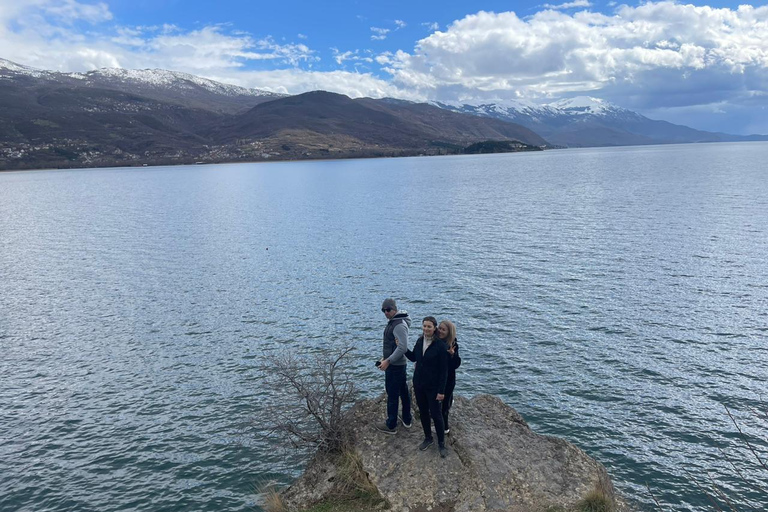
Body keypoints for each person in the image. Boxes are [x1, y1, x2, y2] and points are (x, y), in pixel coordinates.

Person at [402, 316, 450, 458]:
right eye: (424, 326)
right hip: (419, 384)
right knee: (423, 412)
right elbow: (413, 358)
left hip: (433, 387)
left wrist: (441, 391)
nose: (426, 329)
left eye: (429, 326)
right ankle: (428, 438)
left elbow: (444, 371)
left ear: (434, 328)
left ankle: (441, 443)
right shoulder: (419, 341)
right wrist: (403, 348)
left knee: (436, 414)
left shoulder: (441, 346)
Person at [375, 298, 413, 434]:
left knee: (392, 394)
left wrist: (388, 361)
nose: (385, 312)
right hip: (396, 364)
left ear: (394, 309)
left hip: (396, 365)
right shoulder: (394, 322)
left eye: (388, 310)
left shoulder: (399, 325)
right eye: (383, 310)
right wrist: (384, 359)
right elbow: (393, 345)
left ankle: (391, 425)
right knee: (403, 391)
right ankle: (407, 419)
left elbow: (402, 347)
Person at [440, 320, 460, 434]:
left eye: (444, 329)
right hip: (438, 378)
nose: (441, 331)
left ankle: (445, 428)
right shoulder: (437, 342)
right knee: (443, 402)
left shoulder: (453, 344)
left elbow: (455, 365)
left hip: (448, 379)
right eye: (440, 328)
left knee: (444, 407)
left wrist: (452, 355)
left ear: (449, 332)